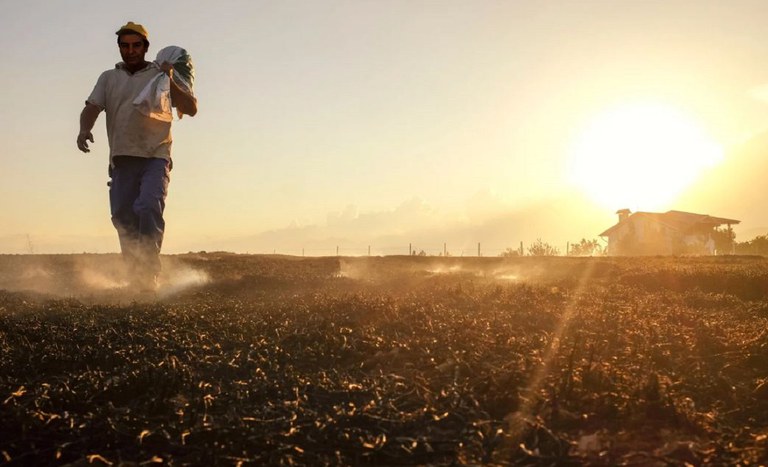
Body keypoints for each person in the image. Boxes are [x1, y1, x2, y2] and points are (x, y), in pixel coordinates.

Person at [76, 22, 197, 291]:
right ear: (119, 47)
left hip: (156, 155)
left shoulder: (160, 73)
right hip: (122, 157)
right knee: (122, 215)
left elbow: (190, 108)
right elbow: (92, 107)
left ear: (145, 47)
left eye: (136, 45)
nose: (130, 51)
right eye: (125, 46)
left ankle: (149, 275)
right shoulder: (108, 78)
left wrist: (171, 77)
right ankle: (134, 273)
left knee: (148, 206)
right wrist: (84, 129)